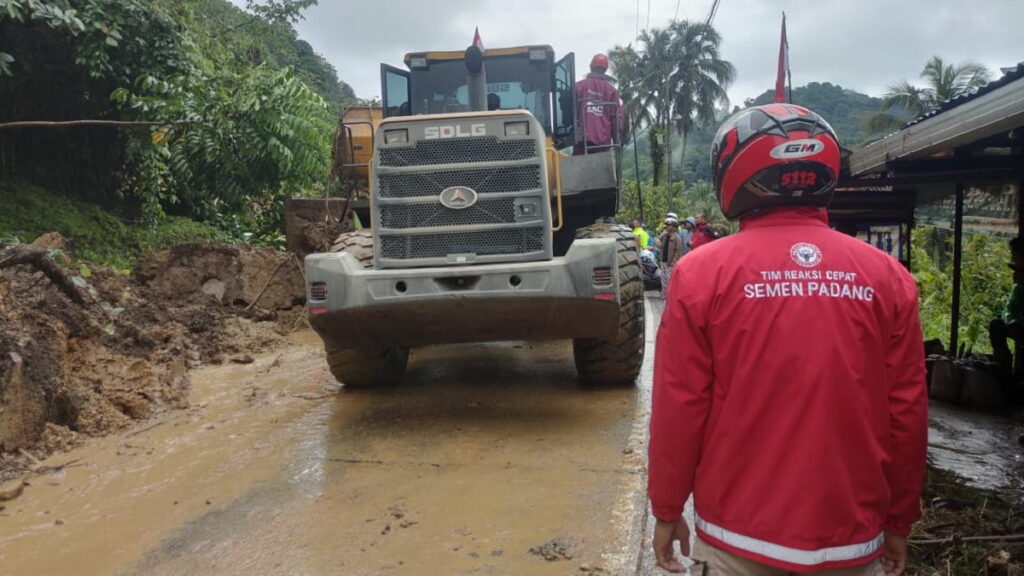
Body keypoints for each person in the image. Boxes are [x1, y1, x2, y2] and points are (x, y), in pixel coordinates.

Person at [649, 104, 928, 576]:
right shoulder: (888, 277)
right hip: (853, 540)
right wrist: (898, 520)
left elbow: (680, 406)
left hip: (739, 538)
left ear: (733, 173)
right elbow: (907, 413)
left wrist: (667, 508)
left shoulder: (701, 275)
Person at [573, 53, 622, 155]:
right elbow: (616, 120)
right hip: (603, 145)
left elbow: (564, 105)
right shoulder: (611, 91)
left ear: (591, 67)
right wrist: (617, 142)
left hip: (581, 141)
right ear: (605, 69)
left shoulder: (579, 86)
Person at [989, 237, 1024, 379]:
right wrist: (1012, 320)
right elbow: (1008, 310)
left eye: (1015, 254)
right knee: (996, 325)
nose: (1013, 257)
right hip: (1019, 326)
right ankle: (1004, 367)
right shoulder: (1019, 289)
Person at [657, 218, 684, 297]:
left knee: (670, 280)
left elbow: (678, 251)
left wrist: (673, 262)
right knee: (663, 279)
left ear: (674, 228)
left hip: (670, 262)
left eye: (669, 226)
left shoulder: (677, 238)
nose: (667, 227)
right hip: (663, 260)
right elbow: (657, 239)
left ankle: (670, 296)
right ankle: (664, 295)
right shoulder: (665, 235)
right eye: (667, 225)